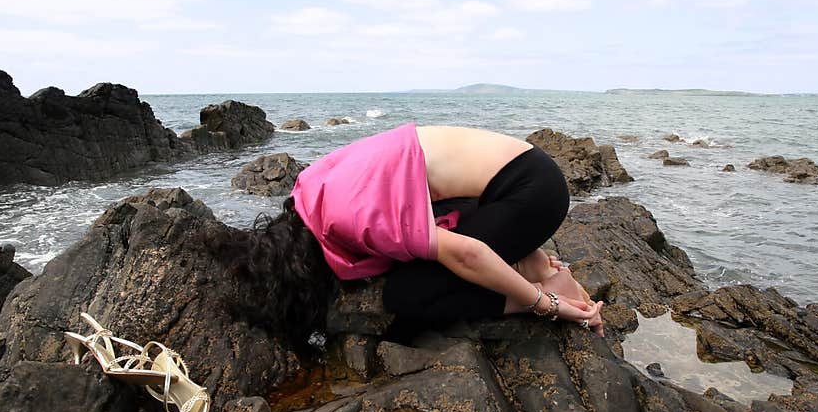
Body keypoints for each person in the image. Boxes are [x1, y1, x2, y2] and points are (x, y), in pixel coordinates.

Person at [213, 122, 604, 354]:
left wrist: (546, 305)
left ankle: (554, 286)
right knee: (421, 263)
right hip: (509, 179)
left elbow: (465, 254)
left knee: (406, 296)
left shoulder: (351, 219)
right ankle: (529, 261)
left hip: (531, 194)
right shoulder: (311, 190)